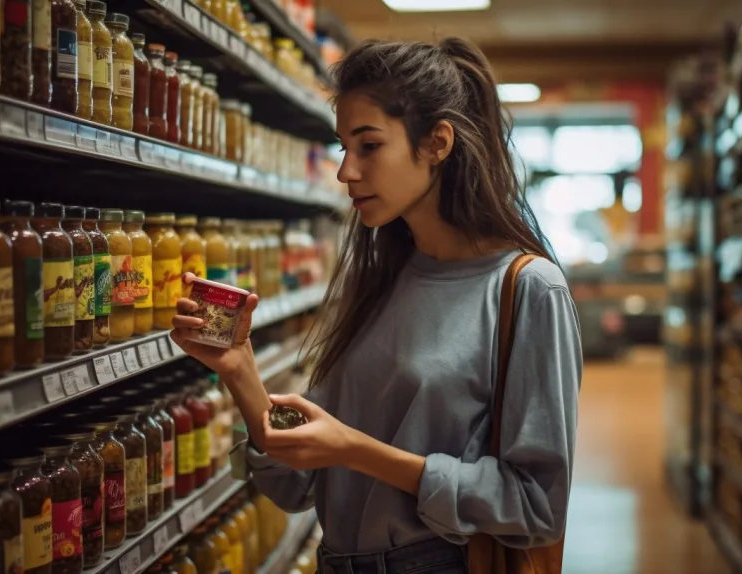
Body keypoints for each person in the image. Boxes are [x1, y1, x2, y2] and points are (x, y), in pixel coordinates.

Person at [171, 37, 582, 574]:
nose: (345, 172)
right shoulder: (379, 281)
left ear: (437, 143)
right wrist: (240, 368)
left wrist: (357, 451)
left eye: (368, 146)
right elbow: (300, 485)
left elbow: (535, 507)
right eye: (343, 147)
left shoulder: (528, 289)